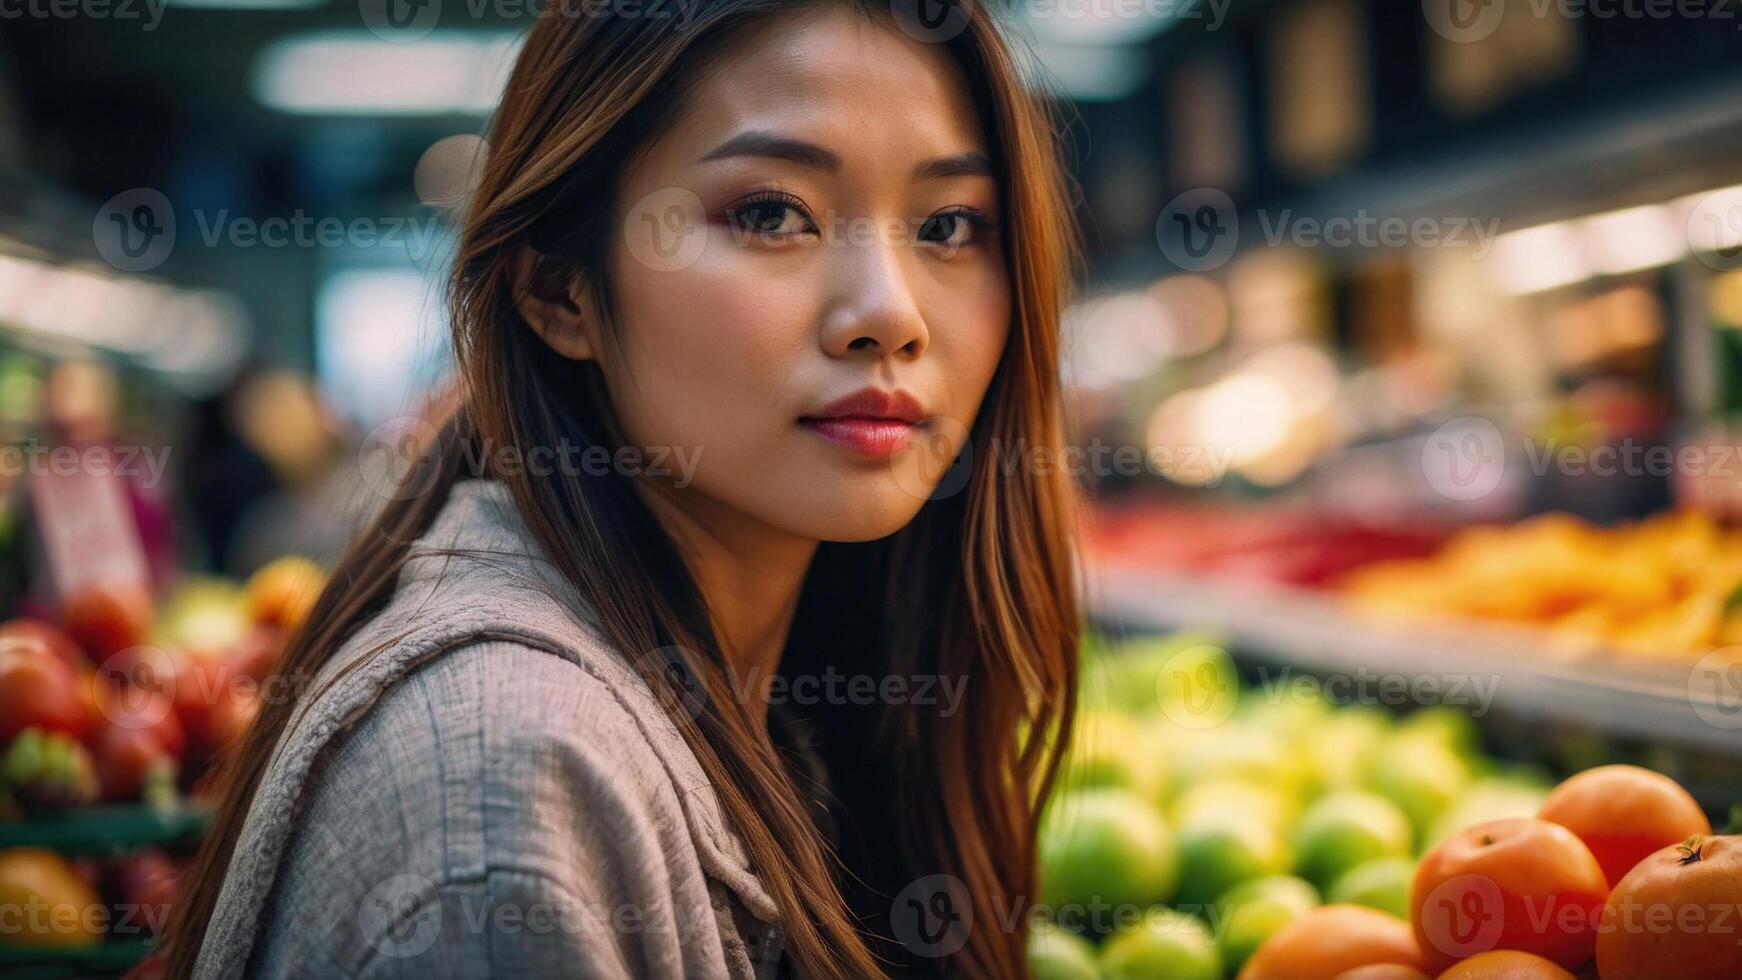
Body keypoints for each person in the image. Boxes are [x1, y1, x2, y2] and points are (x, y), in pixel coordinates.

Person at [166, 0, 1083, 976]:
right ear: (558, 290)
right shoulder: (504, 802)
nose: (889, 315)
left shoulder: (811, 664)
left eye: (948, 224)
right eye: (770, 213)